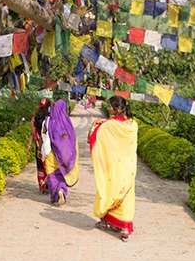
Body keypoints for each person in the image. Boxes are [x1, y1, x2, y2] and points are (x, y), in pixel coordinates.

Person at [89, 96, 138, 242]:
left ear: (117, 109)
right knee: (125, 195)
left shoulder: (109, 125)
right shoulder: (133, 125)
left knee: (107, 188)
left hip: (113, 167)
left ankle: (104, 222)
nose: (108, 108)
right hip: (127, 167)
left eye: (110, 106)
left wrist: (94, 124)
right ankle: (123, 228)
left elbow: (92, 138)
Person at [41, 99, 79, 205]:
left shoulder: (48, 122)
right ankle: (62, 190)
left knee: (52, 175)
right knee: (61, 174)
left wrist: (42, 151)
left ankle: (56, 194)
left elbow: (44, 137)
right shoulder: (67, 123)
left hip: (51, 154)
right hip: (63, 155)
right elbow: (72, 138)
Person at [27, 98, 51, 193]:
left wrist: (29, 146)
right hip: (49, 146)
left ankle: (42, 184)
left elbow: (32, 133)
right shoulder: (51, 118)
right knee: (49, 164)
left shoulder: (34, 119)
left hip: (39, 145)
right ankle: (50, 184)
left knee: (40, 165)